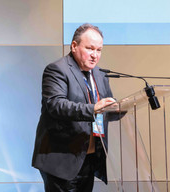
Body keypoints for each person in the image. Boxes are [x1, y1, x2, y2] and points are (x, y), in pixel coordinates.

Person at [32, 23, 116, 192]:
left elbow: (105, 107)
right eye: (90, 48)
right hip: (61, 159)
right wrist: (93, 109)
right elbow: (56, 105)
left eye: (99, 50)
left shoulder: (100, 74)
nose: (95, 55)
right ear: (74, 46)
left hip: (89, 158)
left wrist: (117, 108)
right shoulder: (57, 70)